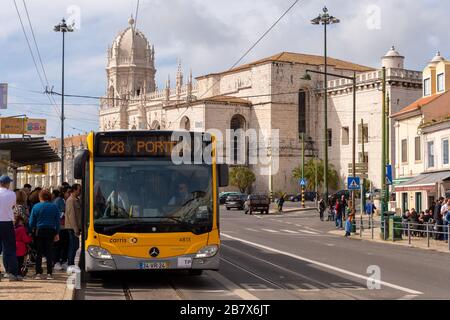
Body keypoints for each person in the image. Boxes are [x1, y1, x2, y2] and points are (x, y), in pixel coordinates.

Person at [29, 190, 60, 280]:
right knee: (49, 252)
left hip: (39, 231)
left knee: (39, 252)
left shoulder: (36, 206)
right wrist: (57, 232)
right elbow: (57, 221)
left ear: (40, 197)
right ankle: (49, 273)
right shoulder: (54, 207)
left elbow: (31, 222)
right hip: (50, 231)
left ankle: (38, 273)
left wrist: (31, 231)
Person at [0, 175, 20, 281]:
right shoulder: (12, 194)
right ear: (7, 183)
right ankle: (11, 273)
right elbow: (13, 206)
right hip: (7, 223)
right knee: (10, 248)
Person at [53, 186, 71, 271]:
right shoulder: (58, 201)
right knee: (58, 245)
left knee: (65, 245)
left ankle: (64, 261)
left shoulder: (66, 200)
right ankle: (56, 262)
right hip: (59, 227)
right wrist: (64, 212)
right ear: (63, 192)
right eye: (68, 192)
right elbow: (57, 213)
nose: (69, 194)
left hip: (66, 226)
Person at [65, 184, 82, 267]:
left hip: (76, 227)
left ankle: (71, 263)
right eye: (79, 190)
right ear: (74, 190)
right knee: (73, 246)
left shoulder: (76, 200)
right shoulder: (71, 200)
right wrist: (76, 229)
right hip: (72, 227)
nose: (80, 191)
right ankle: (70, 263)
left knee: (75, 246)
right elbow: (72, 216)